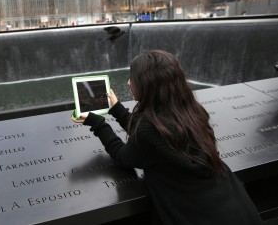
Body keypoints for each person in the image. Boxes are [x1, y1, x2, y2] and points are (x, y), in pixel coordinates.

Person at [72, 50, 262, 225]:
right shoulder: (189, 110)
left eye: (133, 78)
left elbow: (124, 157)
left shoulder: (148, 130)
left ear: (148, 84)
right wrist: (116, 109)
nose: (128, 82)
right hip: (235, 207)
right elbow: (152, 137)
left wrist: (98, 124)